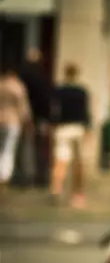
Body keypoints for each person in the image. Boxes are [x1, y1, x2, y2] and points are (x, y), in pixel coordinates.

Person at [51, 63, 93, 208]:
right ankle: (78, 193)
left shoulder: (59, 91)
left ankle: (56, 187)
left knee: (61, 160)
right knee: (79, 162)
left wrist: (54, 124)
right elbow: (86, 112)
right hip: (78, 128)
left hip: (63, 127)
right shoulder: (82, 92)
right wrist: (88, 128)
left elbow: (54, 111)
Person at [19, 48, 52, 188]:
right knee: (40, 147)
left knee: (24, 146)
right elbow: (46, 99)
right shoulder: (43, 77)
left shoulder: (22, 77)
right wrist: (48, 118)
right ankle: (41, 178)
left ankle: (24, 177)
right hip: (40, 116)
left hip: (24, 116)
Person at [0, 65, 32, 197]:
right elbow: (23, 107)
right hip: (12, 121)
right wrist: (27, 121)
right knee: (8, 150)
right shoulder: (17, 86)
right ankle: (4, 177)